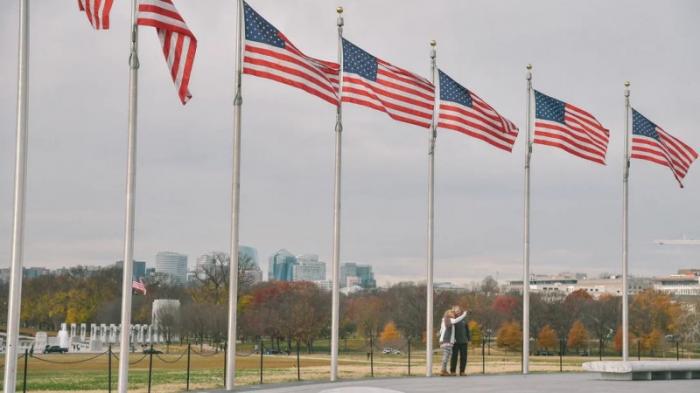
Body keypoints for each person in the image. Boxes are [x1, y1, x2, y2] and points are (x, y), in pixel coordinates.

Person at [438, 308, 467, 376]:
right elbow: (457, 320)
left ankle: (444, 370)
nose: (453, 313)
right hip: (446, 341)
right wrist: (464, 314)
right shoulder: (449, 319)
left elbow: (442, 331)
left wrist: (453, 339)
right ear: (447, 314)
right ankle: (443, 370)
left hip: (448, 341)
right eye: (451, 312)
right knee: (446, 356)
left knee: (447, 356)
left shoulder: (447, 321)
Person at [450, 305, 471, 376]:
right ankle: (452, 371)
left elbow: (467, 330)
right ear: (454, 311)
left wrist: (469, 338)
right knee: (454, 356)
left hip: (464, 341)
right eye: (456, 311)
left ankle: (462, 371)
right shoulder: (453, 319)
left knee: (464, 357)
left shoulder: (464, 319)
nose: (458, 312)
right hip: (455, 342)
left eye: (459, 310)